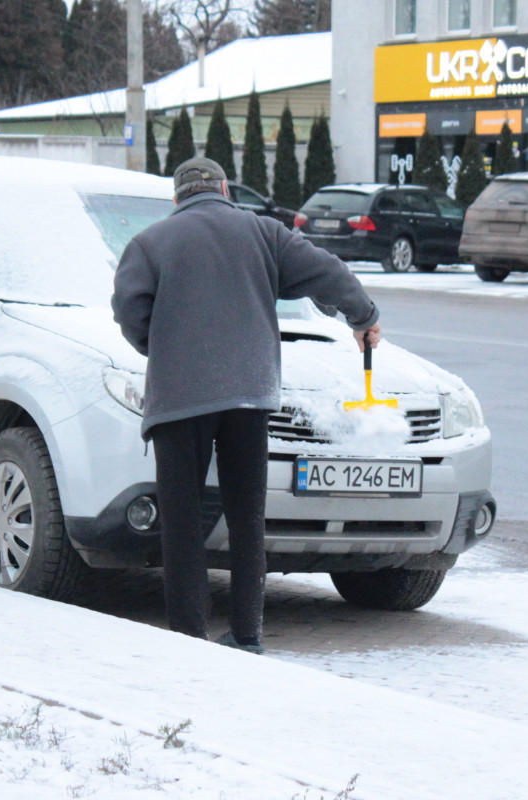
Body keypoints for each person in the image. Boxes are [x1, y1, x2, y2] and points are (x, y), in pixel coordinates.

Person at [111, 156, 381, 654]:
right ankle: (247, 633)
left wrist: (164, 346)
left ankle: (189, 637)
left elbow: (128, 310)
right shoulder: (264, 233)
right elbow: (327, 272)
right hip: (249, 393)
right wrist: (363, 317)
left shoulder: (150, 243)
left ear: (177, 199)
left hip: (180, 397)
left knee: (183, 520)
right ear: (225, 189)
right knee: (245, 517)